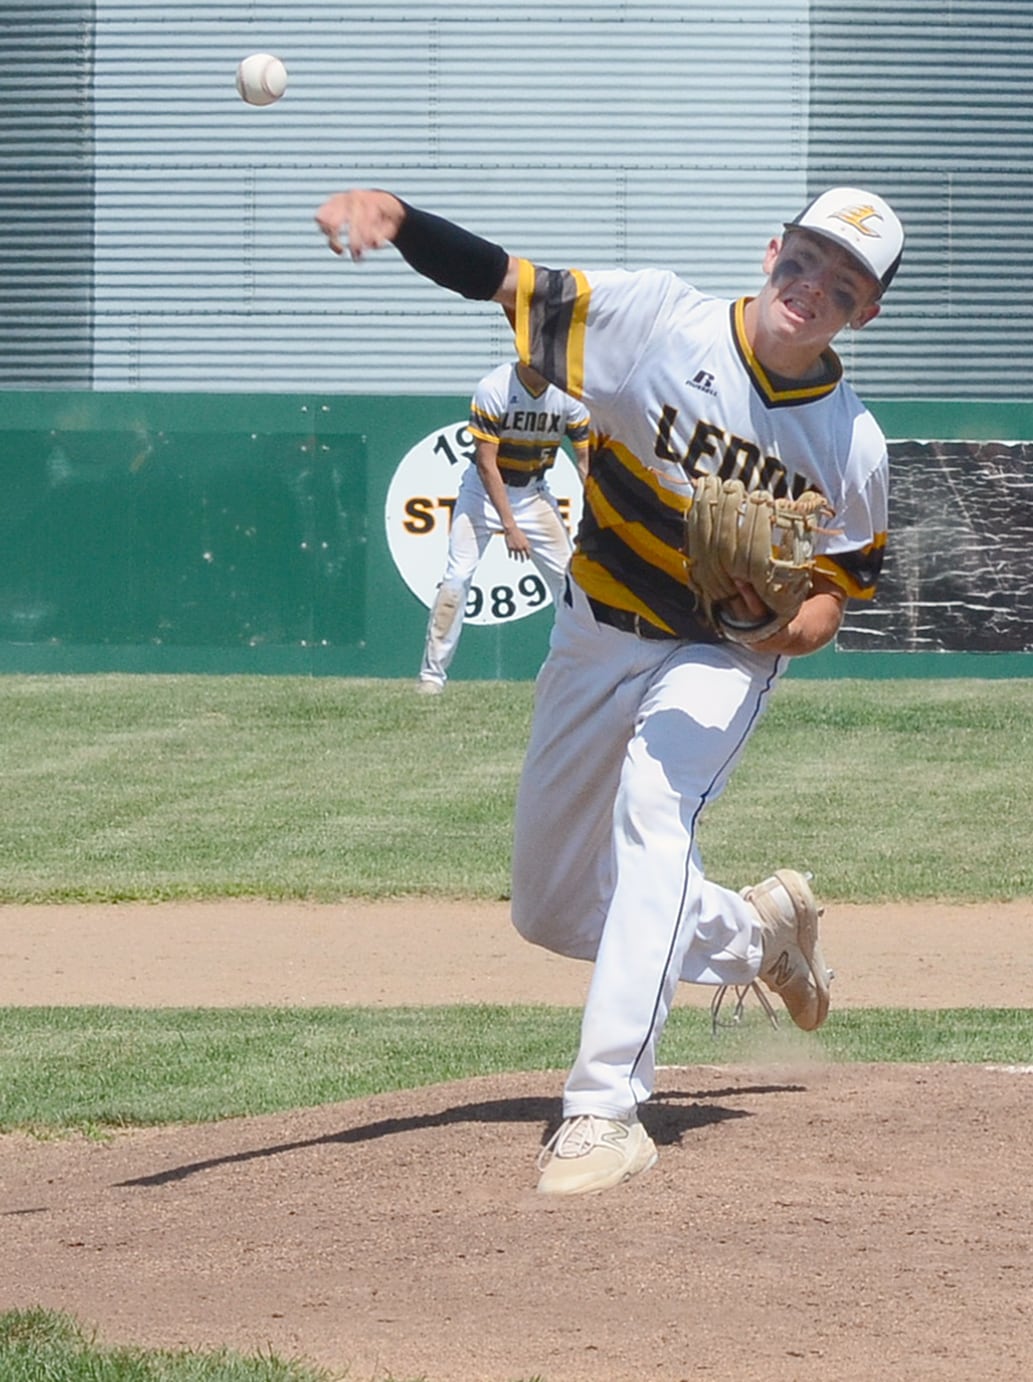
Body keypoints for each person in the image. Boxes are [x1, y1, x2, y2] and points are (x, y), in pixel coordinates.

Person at [314, 184, 904, 1195]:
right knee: (548, 909)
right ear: (771, 251)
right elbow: (507, 280)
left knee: (652, 815)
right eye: (804, 259)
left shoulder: (851, 447)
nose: (813, 286)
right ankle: (758, 929)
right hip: (594, 634)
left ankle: (604, 1108)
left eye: (843, 283)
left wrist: (769, 622)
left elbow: (829, 604)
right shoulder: (656, 321)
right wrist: (401, 218)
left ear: (864, 311)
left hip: (719, 658)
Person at [417, 359, 591, 694]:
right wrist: (510, 525)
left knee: (572, 584)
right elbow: (486, 463)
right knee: (457, 578)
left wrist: (601, 508)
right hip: (482, 492)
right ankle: (432, 676)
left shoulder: (567, 393)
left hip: (534, 491)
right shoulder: (494, 387)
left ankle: (580, 673)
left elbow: (585, 462)